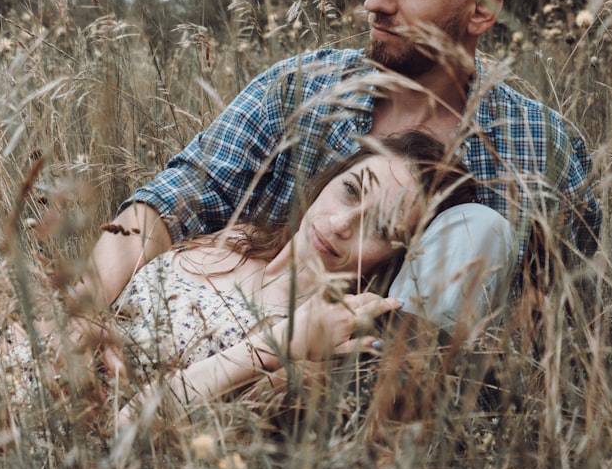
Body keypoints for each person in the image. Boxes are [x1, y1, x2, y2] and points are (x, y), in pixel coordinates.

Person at [86, 0, 599, 353]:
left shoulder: (538, 147)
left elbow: (562, 328)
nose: (375, 2)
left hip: (400, 410)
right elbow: (171, 201)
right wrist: (85, 313)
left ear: (482, 10)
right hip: (221, 355)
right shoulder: (300, 87)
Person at [109, 131, 487, 426]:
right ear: (329, 180)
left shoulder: (321, 343)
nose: (341, 224)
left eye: (378, 228)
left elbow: (131, 423)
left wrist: (282, 342)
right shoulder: (237, 238)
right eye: (351, 191)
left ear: (395, 258)